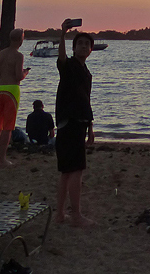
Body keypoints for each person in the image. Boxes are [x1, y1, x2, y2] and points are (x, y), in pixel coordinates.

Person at [55, 19, 95, 227]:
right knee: (76, 170)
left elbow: (85, 100)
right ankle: (76, 215)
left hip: (79, 123)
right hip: (69, 123)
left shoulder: (86, 72)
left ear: (90, 51)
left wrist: (90, 128)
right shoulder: (69, 65)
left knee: (67, 172)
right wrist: (62, 34)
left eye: (86, 45)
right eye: (79, 44)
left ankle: (61, 214)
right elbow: (61, 57)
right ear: (74, 47)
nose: (83, 47)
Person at [0, 28, 29, 166]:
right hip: (12, 90)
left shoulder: (2, 53)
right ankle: (2, 158)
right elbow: (18, 76)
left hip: (0, 89)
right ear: (20, 40)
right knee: (7, 126)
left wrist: (5, 72)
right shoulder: (18, 56)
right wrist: (25, 73)